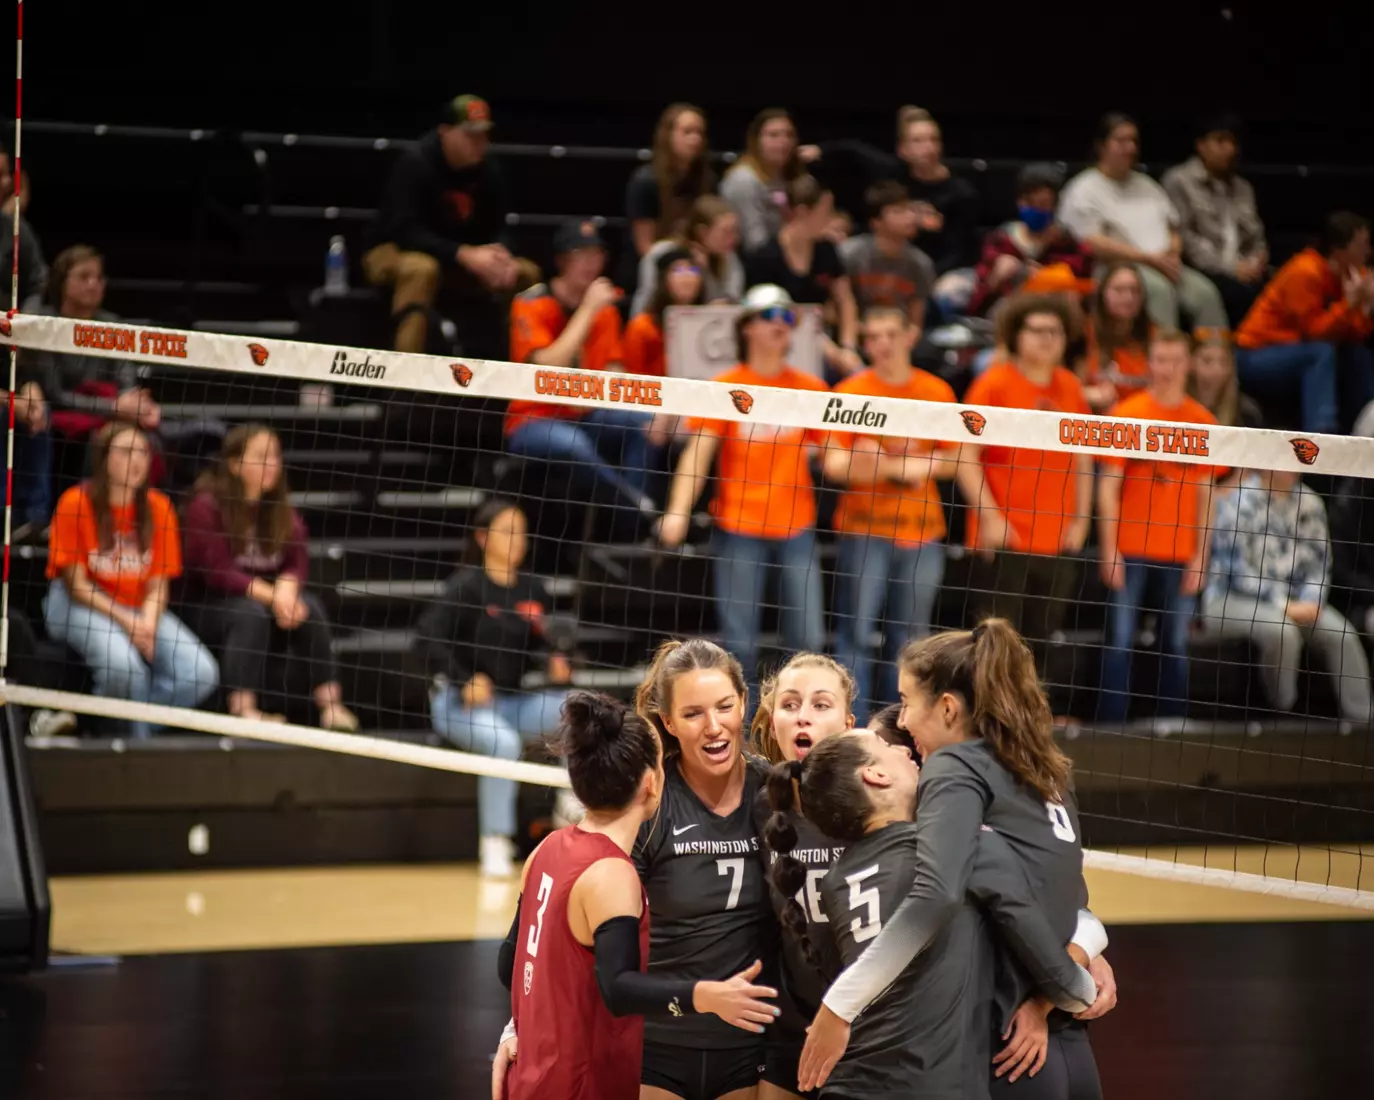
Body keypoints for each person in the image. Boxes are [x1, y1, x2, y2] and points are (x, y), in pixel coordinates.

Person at [796, 620, 1116, 1095]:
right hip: (1058, 1041)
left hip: (1007, 1045)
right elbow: (1067, 907)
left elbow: (938, 895)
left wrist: (839, 1005)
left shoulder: (953, 770)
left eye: (905, 703)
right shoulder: (1046, 767)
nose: (902, 724)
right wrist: (1076, 970)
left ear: (948, 708)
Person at [491, 692, 781, 1100]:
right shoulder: (612, 874)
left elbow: (511, 965)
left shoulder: (545, 850)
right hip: (582, 1084)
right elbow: (620, 990)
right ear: (651, 780)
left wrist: (522, 1025)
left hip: (534, 1077)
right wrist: (705, 997)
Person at [657, 285, 828, 694]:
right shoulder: (727, 385)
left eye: (789, 319)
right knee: (738, 649)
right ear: (748, 326)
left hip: (796, 525)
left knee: (809, 643)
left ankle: (804, 737)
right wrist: (678, 511)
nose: (783, 326)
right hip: (738, 526)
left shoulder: (811, 388)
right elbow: (697, 456)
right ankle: (742, 741)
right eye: (773, 316)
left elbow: (834, 455)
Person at [632, 638, 781, 1100]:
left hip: (750, 1044)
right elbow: (572, 906)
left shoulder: (777, 795)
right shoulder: (649, 802)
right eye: (694, 713)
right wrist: (520, 1023)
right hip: (658, 1041)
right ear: (668, 722)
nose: (714, 727)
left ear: (744, 704)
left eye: (725, 707)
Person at [413, 499, 575, 878]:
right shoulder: (466, 586)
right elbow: (424, 641)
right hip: (458, 704)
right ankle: (495, 841)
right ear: (483, 538)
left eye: (522, 531)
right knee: (502, 743)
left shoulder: (533, 588)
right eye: (507, 530)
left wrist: (554, 661)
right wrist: (463, 679)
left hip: (512, 702)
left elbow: (538, 645)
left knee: (575, 713)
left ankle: (572, 815)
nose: (518, 539)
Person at [823, 307, 959, 722]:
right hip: (865, 531)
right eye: (873, 336)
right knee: (856, 636)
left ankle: (906, 726)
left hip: (922, 533)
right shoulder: (850, 391)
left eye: (889, 334)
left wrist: (881, 463)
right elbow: (834, 465)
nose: (882, 343)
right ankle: (854, 726)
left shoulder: (936, 392)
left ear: (909, 336)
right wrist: (905, 469)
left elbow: (955, 460)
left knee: (912, 641)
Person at [44, 422, 219, 740]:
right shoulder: (75, 502)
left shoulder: (159, 508)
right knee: (125, 667)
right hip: (78, 602)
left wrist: (147, 624)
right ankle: (133, 744)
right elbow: (77, 585)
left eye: (143, 451)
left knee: (200, 673)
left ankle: (103, 727)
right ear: (104, 458)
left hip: (139, 605)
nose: (137, 460)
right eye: (126, 451)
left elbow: (158, 584)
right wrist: (129, 622)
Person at [181, 425, 356, 731]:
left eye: (275, 455)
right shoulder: (206, 506)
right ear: (235, 464)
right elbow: (218, 572)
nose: (272, 463)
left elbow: (296, 560)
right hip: (205, 606)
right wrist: (274, 597)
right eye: (261, 456)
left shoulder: (279, 508)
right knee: (249, 615)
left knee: (309, 607)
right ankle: (243, 710)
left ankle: (331, 707)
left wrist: (287, 593)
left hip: (262, 602)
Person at [957, 296, 1094, 675]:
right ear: (1016, 337)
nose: (1047, 339)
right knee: (995, 648)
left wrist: (1082, 519)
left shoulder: (1070, 387)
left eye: (1055, 332)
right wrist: (991, 517)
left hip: (1057, 537)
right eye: (1037, 331)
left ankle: (1032, 727)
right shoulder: (994, 385)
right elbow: (964, 456)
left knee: (1042, 643)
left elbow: (1082, 457)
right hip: (1006, 537)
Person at [505, 219, 663, 537]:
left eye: (597, 254)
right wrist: (588, 310)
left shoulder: (606, 311)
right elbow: (546, 368)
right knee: (574, 445)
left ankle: (629, 533)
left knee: (644, 422)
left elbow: (613, 371)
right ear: (561, 260)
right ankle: (640, 509)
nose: (591, 263)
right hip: (533, 419)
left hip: (586, 413)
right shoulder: (531, 302)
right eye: (581, 253)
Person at [1096, 330, 1220, 727]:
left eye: (1175, 361)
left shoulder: (1203, 421)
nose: (1167, 369)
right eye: (1160, 360)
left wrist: (1202, 555)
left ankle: (1173, 727)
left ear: (1187, 365)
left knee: (1176, 643)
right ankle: (1112, 727)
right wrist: (1108, 549)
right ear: (1150, 364)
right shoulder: (1127, 414)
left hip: (1180, 551)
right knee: (1118, 640)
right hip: (1130, 547)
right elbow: (1108, 488)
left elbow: (1207, 494)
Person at [748, 653, 856, 1100]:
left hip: (868, 1030)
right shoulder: (759, 807)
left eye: (820, 704)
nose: (802, 717)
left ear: (848, 724)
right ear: (773, 722)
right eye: (790, 705)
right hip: (793, 1028)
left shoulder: (881, 802)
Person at [1202, 470, 1373, 725]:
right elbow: (1238, 572)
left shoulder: (1311, 502)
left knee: (1343, 635)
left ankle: (1364, 723)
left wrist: (1312, 600)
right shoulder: (1238, 501)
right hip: (1235, 597)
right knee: (1282, 633)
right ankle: (1283, 714)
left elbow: (1320, 563)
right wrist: (1284, 604)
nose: (1293, 468)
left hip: (1299, 601)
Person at [363, 94, 526, 356]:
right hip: (393, 251)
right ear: (445, 132)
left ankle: (519, 377)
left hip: (456, 259)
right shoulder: (416, 163)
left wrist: (501, 254)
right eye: (470, 135)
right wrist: (463, 253)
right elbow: (405, 232)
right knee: (421, 269)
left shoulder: (489, 169)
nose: (479, 143)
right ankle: (405, 382)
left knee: (525, 273)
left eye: (484, 135)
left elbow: (503, 226)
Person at [1057, 113, 1228, 338]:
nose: (1129, 147)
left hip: (1164, 263)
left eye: (1134, 141)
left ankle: (1215, 365)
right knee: (1158, 291)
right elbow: (1092, 242)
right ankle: (1166, 363)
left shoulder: (1148, 185)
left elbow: (1173, 228)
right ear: (1102, 146)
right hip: (1117, 269)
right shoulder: (1083, 188)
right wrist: (1147, 259)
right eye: (1121, 141)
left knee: (1206, 294)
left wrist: (1173, 252)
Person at [804, 107, 981, 317]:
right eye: (919, 141)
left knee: (945, 294)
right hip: (896, 260)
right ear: (903, 149)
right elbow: (854, 151)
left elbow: (961, 252)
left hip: (937, 268)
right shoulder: (894, 176)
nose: (929, 147)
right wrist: (820, 150)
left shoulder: (960, 193)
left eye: (934, 140)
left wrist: (927, 271)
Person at [1234, 211, 1374, 435]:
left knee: (1358, 354)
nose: (1368, 252)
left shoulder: (1352, 274)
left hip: (1296, 351)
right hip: (1254, 354)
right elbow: (1315, 334)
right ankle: (1321, 437)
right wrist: (1350, 303)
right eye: (1362, 245)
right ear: (1339, 249)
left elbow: (1354, 334)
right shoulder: (1305, 271)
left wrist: (1365, 308)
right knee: (1320, 353)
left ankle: (1365, 430)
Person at [745, 174, 862, 377]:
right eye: (825, 212)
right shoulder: (765, 256)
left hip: (829, 344)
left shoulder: (827, 249)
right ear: (802, 212)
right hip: (783, 342)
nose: (830, 219)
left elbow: (846, 301)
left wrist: (848, 347)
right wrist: (831, 351)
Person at [1162, 114, 1269, 327]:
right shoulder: (1179, 181)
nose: (1229, 149)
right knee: (1241, 296)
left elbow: (1257, 236)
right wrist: (1231, 268)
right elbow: (1186, 239)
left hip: (1244, 267)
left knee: (1283, 289)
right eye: (1221, 141)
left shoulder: (1243, 187)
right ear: (1201, 145)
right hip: (1204, 268)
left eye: (1233, 142)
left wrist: (1258, 259)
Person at [969, 163, 1094, 319]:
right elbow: (977, 301)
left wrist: (1040, 276)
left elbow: (1081, 295)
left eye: (1042, 203)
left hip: (1053, 317)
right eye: (1028, 203)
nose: (1034, 209)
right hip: (1003, 317)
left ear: (1054, 206)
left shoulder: (1069, 247)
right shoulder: (1000, 241)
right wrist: (995, 279)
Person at [626, 104, 715, 263]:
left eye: (700, 132)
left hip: (691, 262)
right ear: (668, 135)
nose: (695, 139)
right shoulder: (646, 181)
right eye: (687, 132)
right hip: (656, 265)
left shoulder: (706, 179)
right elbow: (645, 247)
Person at [839, 181, 934, 328]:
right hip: (858, 331)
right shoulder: (849, 255)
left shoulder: (921, 263)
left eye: (910, 209)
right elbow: (835, 309)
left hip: (897, 337)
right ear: (876, 222)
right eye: (898, 211)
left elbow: (915, 323)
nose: (910, 217)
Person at [632, 196, 744, 317]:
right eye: (726, 232)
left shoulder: (729, 257)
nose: (734, 239)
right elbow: (645, 300)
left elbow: (734, 299)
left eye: (735, 231)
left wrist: (706, 272)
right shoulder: (661, 252)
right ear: (702, 232)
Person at [721, 109, 807, 252]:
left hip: (777, 253)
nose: (783, 142)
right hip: (752, 260)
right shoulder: (744, 180)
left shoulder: (780, 175)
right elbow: (755, 243)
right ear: (756, 141)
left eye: (789, 135)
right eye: (773, 135)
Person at [1077, 262, 1153, 411]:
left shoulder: (1155, 336)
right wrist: (1088, 394)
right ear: (1103, 293)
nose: (1128, 297)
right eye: (1119, 290)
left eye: (1135, 290)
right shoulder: (1084, 332)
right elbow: (1066, 386)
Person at [624, 248, 707, 377]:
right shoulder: (643, 327)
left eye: (693, 270)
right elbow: (633, 375)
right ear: (663, 279)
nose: (687, 277)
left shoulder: (708, 323)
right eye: (678, 270)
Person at [1190, 336, 1263, 430]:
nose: (1217, 369)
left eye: (1224, 362)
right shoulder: (1175, 404)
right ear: (1190, 363)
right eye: (1207, 361)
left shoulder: (1246, 412)